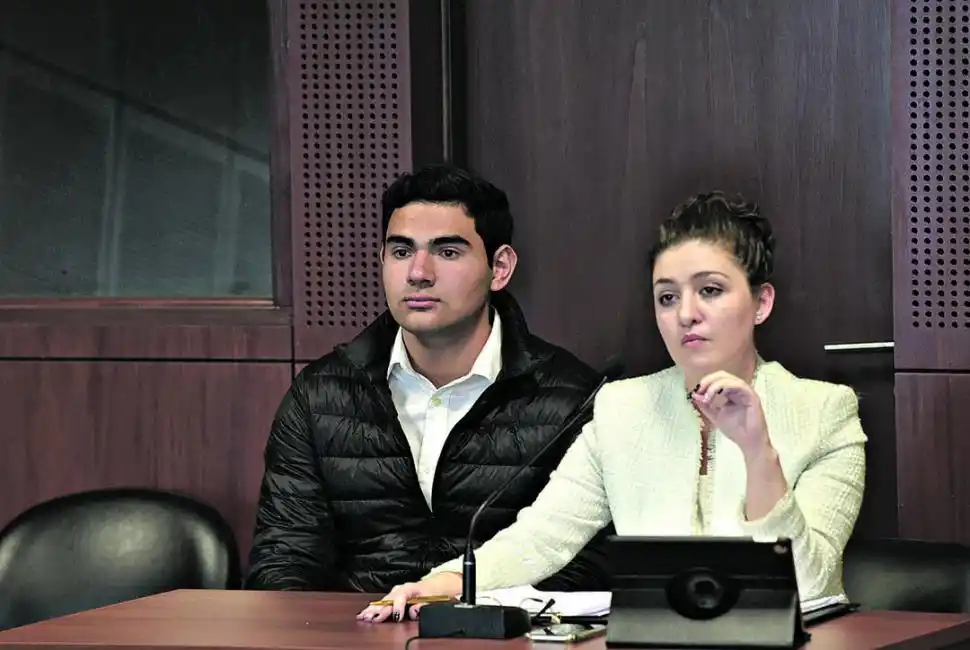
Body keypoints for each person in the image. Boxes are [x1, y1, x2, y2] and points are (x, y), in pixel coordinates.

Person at [358, 191, 868, 623]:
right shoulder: (623, 407)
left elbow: (811, 582)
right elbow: (541, 536)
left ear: (761, 302)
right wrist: (440, 584)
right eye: (667, 298)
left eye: (710, 291)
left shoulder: (825, 412)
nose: (686, 314)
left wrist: (759, 453)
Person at [245, 163, 614, 594]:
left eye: (447, 252)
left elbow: (586, 567)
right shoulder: (321, 395)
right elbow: (284, 558)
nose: (418, 272)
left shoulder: (572, 400)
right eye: (402, 252)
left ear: (500, 268)